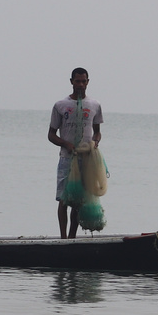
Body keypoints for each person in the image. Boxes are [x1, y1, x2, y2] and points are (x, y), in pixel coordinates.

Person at [47, 67, 102, 238]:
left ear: (87, 82)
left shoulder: (94, 105)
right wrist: (65, 144)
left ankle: (72, 237)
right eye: (77, 81)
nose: (80, 84)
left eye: (83, 81)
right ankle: (63, 238)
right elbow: (51, 134)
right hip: (66, 158)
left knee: (78, 202)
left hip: (86, 160)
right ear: (71, 81)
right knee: (64, 200)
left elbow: (97, 131)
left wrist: (96, 141)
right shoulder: (61, 105)